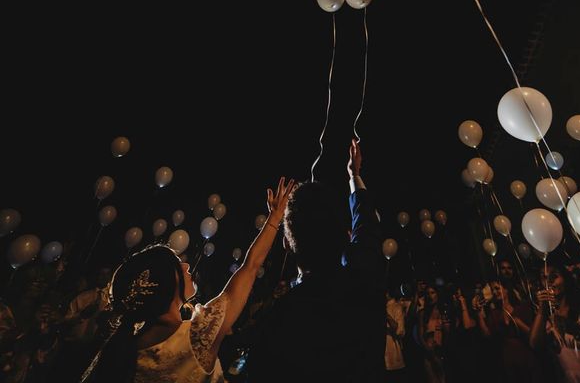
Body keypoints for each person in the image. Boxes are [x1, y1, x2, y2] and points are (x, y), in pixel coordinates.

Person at [80, 176, 294, 383]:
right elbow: (250, 267)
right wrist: (275, 218)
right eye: (177, 263)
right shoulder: (198, 335)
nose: (186, 265)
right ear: (167, 282)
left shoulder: (122, 355)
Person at [247, 139, 386, 382]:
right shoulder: (364, 280)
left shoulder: (278, 321)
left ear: (287, 244)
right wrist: (354, 174)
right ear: (345, 236)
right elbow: (366, 224)